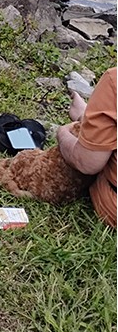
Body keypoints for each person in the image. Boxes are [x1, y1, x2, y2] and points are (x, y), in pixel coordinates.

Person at [57, 67, 116, 228]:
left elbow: (86, 163)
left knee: (101, 158)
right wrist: (89, 118)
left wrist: (62, 133)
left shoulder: (114, 80)